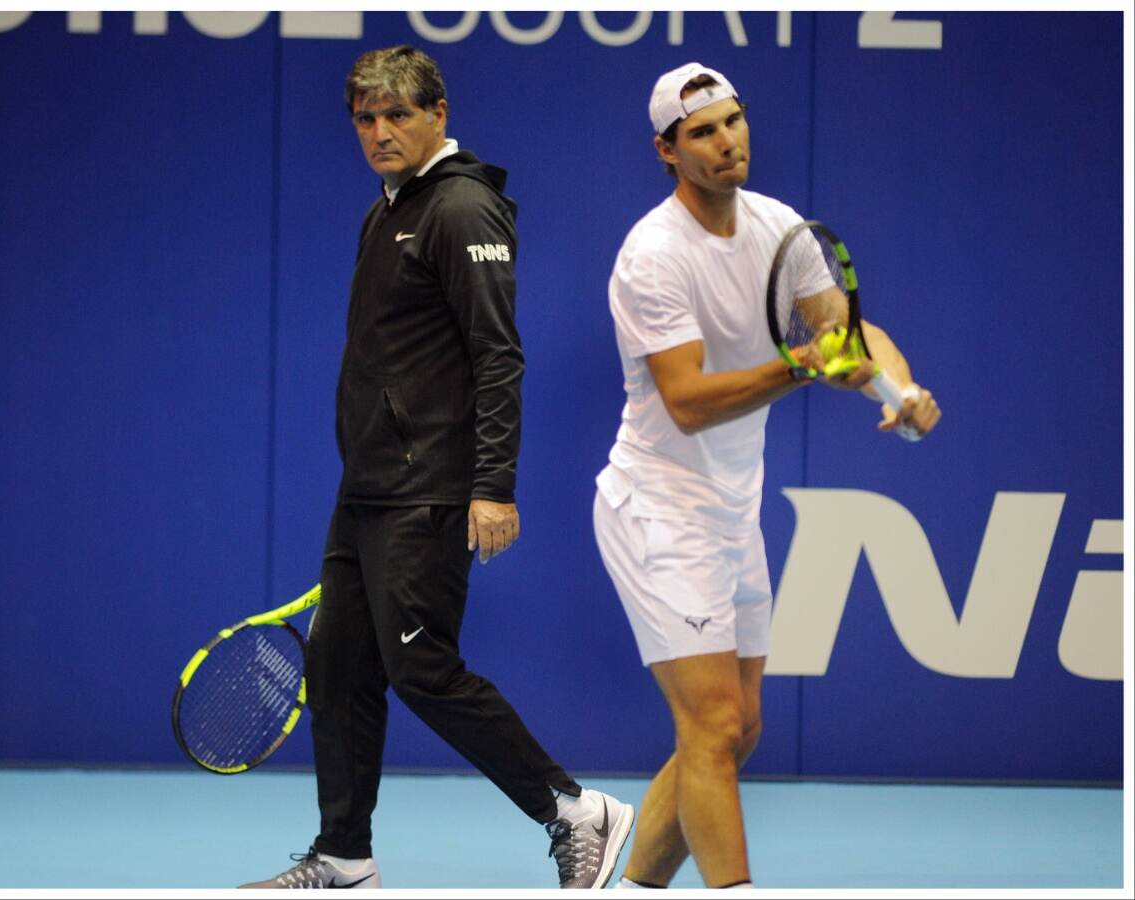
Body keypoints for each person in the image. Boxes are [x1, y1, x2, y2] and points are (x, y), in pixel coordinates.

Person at [240, 46, 633, 891]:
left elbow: (499, 358)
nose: (379, 133)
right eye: (365, 119)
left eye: (397, 116)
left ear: (438, 114)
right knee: (338, 665)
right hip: (369, 488)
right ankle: (344, 855)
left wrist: (493, 485)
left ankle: (574, 809)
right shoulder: (388, 208)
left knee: (420, 667)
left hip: (431, 487)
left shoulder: (459, 210)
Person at [593, 62, 941, 889]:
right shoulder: (652, 256)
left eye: (733, 121)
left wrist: (901, 389)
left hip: (730, 511)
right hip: (657, 510)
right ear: (667, 151)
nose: (726, 142)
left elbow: (844, 333)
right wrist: (798, 367)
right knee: (711, 724)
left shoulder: (778, 226)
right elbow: (687, 402)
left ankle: (632, 887)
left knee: (737, 730)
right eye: (702, 132)